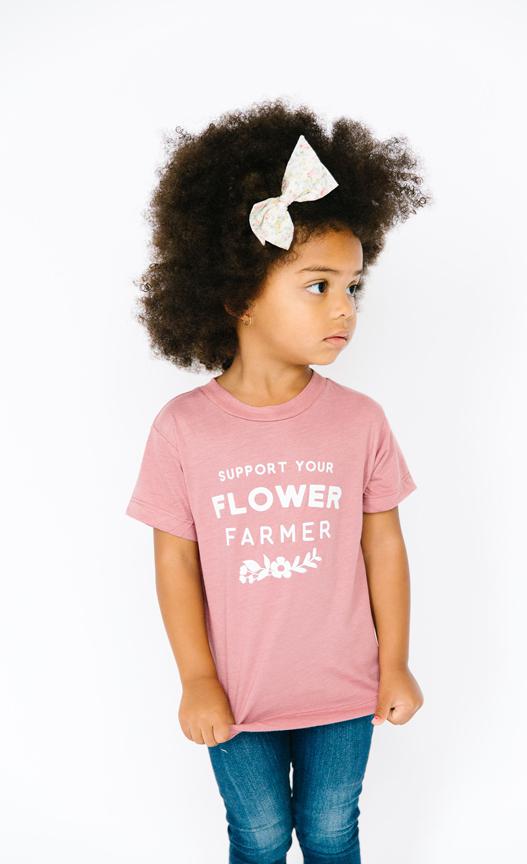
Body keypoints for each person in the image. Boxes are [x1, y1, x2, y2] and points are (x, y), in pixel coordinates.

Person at [125, 97, 430, 864]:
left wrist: (395, 661)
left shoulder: (359, 421)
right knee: (258, 837)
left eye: (353, 287)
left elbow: (384, 547)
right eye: (318, 285)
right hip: (237, 694)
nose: (345, 308)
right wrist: (197, 677)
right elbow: (175, 561)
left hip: (345, 689)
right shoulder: (183, 430)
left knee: (331, 830)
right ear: (238, 295)